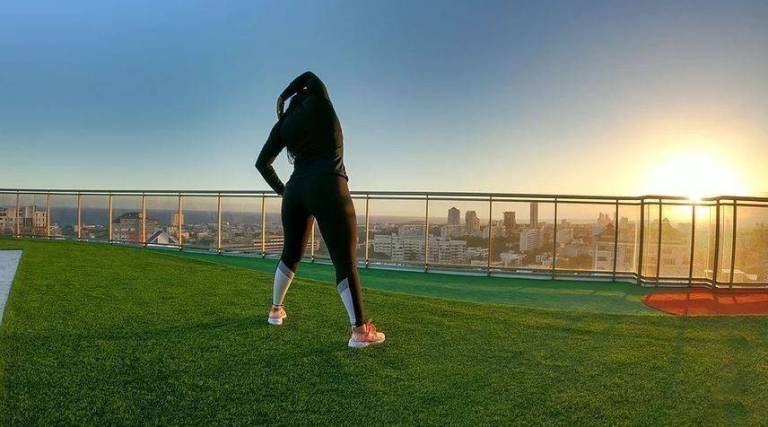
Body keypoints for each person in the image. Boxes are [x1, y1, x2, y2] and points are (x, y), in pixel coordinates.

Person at [255, 71, 385, 349]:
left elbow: (262, 163)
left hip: (296, 191)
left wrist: (284, 191)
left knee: (290, 253)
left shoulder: (284, 125)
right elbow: (310, 76)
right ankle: (360, 331)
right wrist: (284, 95)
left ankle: (275, 310)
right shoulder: (321, 103)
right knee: (344, 261)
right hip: (329, 186)